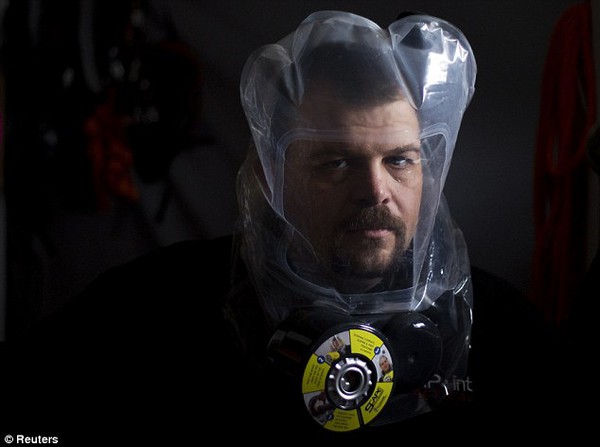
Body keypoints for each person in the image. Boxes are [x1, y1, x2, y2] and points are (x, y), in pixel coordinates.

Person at [0, 11, 568, 444]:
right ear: (273, 175)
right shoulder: (151, 309)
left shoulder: (501, 330)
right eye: (335, 162)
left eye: (399, 160)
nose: (375, 191)